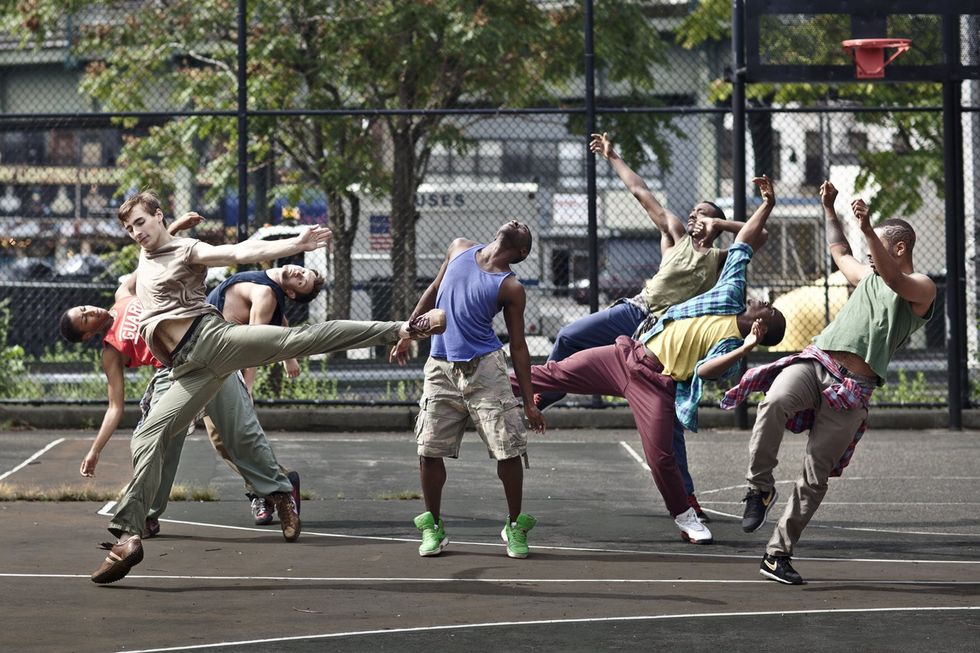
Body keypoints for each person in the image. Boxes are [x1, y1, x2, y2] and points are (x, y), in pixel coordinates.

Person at [90, 190, 443, 584]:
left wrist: (296, 244)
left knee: (298, 342)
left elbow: (238, 251)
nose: (136, 232)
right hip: (186, 370)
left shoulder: (188, 251)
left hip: (211, 341)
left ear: (157, 216)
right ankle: (129, 537)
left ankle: (404, 327)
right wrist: (168, 227)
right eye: (129, 228)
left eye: (141, 222)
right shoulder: (146, 253)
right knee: (148, 437)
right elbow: (154, 243)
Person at [509, 183, 785, 545]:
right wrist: (767, 204)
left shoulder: (731, 342)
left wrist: (744, 346)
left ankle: (686, 514)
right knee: (553, 370)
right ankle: (485, 386)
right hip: (628, 352)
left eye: (764, 306)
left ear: (760, 326)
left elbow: (706, 372)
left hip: (656, 384)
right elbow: (747, 238)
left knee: (662, 455)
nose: (759, 299)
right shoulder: (728, 290)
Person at [539, 132, 769, 522]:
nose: (696, 217)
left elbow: (757, 234)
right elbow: (641, 192)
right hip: (637, 311)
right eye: (695, 212)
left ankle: (689, 501)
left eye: (703, 214)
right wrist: (613, 155)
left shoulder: (721, 261)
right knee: (568, 337)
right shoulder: (676, 235)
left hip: (665, 339)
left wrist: (719, 221)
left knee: (673, 430)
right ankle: (541, 398)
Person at [722, 181, 935, 585]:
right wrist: (829, 209)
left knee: (814, 475)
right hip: (817, 363)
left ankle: (777, 554)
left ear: (900, 249)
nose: (868, 256)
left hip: (853, 389)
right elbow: (839, 251)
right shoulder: (867, 278)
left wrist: (869, 228)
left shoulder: (920, 289)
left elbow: (894, 279)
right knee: (774, 400)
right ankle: (759, 489)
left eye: (876, 247)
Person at [60, 217, 299, 539]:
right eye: (85, 318)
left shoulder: (123, 293)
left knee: (238, 434)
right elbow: (114, 407)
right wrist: (95, 450)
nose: (92, 311)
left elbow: (154, 258)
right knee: (157, 442)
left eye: (85, 307)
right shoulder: (111, 351)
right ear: (88, 334)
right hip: (171, 373)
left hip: (205, 348)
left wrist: (173, 227)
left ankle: (280, 494)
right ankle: (148, 514)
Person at [389, 220, 546, 559]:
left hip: (485, 368)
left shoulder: (511, 287)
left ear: (521, 253)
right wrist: (408, 332)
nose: (518, 222)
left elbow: (519, 346)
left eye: (524, 230)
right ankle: (433, 526)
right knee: (428, 449)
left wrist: (529, 403)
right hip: (440, 366)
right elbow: (433, 289)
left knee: (508, 450)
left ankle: (515, 525)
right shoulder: (459, 246)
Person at [205, 265, 326, 524]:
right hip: (208, 362)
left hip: (225, 370)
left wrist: (246, 388)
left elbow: (252, 344)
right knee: (225, 443)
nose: (300, 274)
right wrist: (289, 358)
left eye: (303, 281)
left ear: (293, 293)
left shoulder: (268, 293)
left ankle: (271, 488)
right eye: (304, 272)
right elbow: (280, 321)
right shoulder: (265, 279)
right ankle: (272, 486)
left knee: (228, 441)